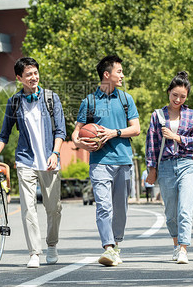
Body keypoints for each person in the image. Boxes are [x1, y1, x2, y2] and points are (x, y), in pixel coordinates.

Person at [0, 57, 66, 268]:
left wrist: (55, 153)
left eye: (36, 73)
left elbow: (60, 130)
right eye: (28, 74)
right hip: (25, 160)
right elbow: (4, 134)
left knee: (53, 208)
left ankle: (52, 245)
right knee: (28, 208)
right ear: (19, 78)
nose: (34, 77)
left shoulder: (51, 98)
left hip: (50, 161)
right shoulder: (14, 102)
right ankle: (34, 252)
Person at [72, 55, 140, 267]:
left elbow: (136, 129)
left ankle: (116, 243)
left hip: (123, 160)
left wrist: (114, 132)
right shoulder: (89, 102)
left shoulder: (126, 99)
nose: (122, 75)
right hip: (99, 162)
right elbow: (75, 134)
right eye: (119, 71)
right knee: (103, 206)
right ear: (106, 74)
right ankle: (108, 248)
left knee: (120, 208)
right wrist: (83, 145)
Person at [145, 72, 193, 264]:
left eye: (183, 96)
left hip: (187, 164)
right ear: (169, 92)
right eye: (175, 95)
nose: (178, 99)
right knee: (171, 213)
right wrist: (151, 169)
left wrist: (177, 137)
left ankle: (184, 249)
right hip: (166, 167)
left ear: (187, 97)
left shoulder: (192, 115)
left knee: (185, 209)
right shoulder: (157, 115)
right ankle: (177, 245)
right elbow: (151, 144)